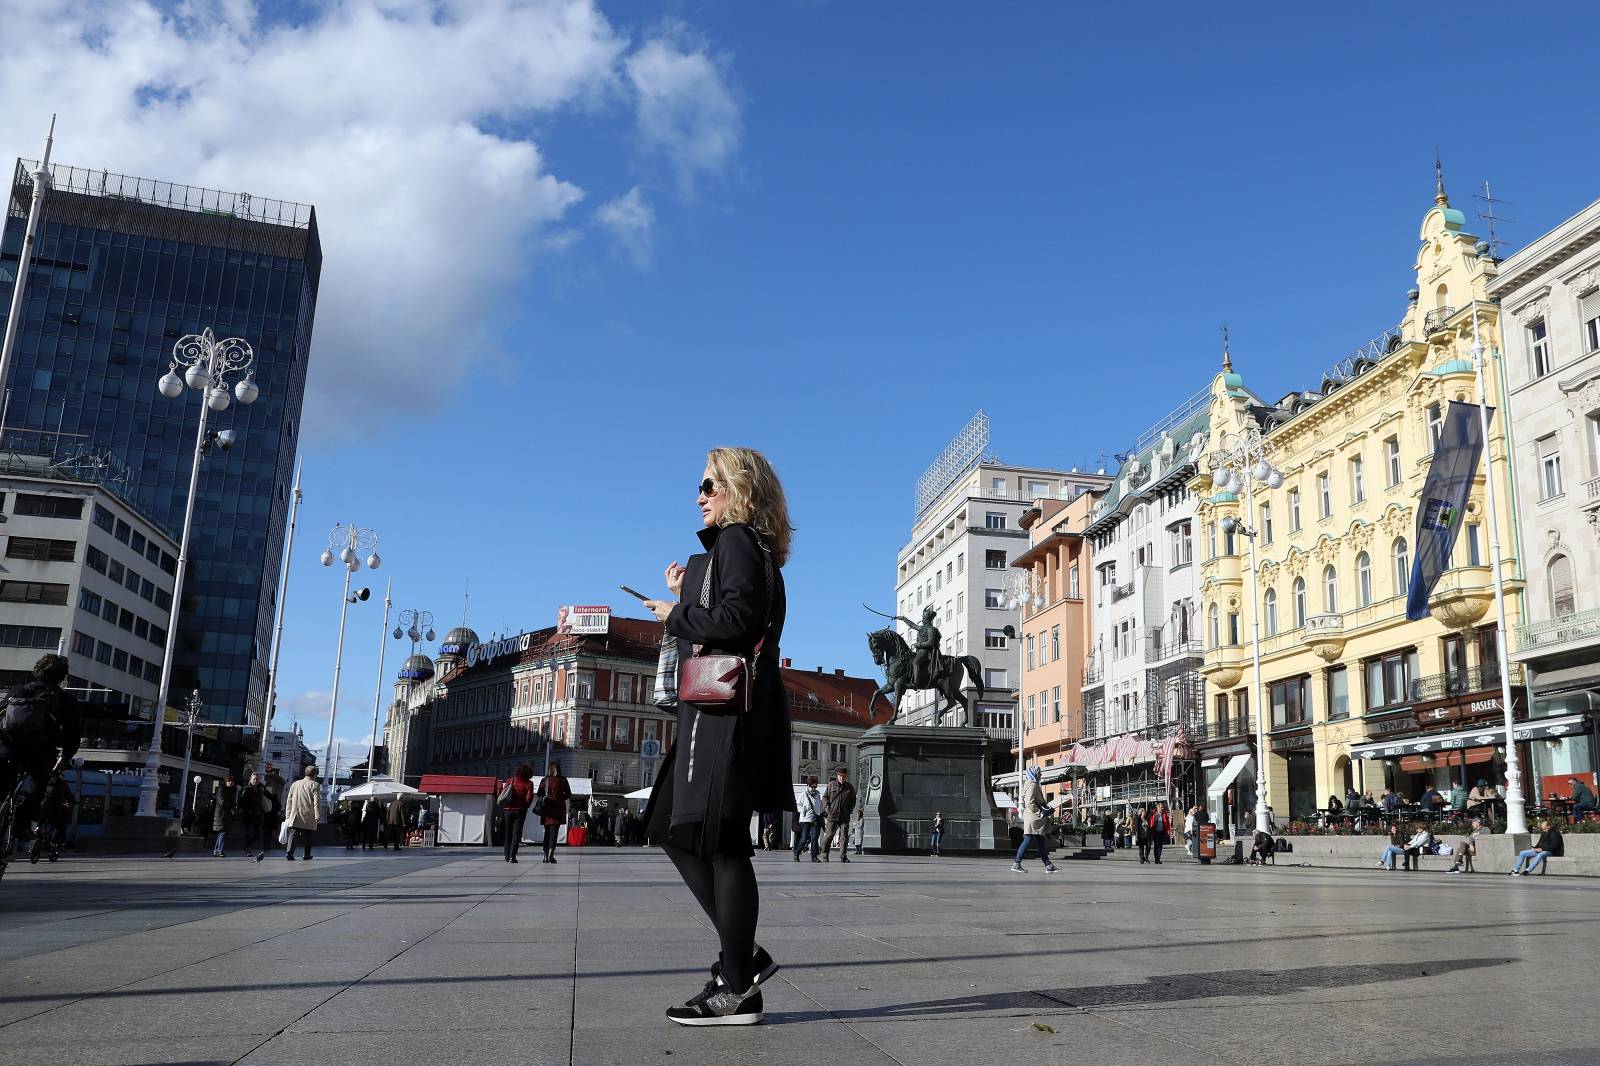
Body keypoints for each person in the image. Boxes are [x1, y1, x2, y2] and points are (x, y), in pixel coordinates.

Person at [638, 446, 794, 1027]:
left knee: (721, 843)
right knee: (672, 827)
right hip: (727, 713)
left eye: (709, 484)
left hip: (724, 717)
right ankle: (742, 959)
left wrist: (671, 614)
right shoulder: (751, 551)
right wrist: (685, 595)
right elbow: (732, 614)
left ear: (739, 489)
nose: (699, 495)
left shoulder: (734, 541)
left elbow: (734, 623)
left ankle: (737, 981)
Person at [0, 654, 82, 839]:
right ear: (62, 677)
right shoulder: (66, 700)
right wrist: (66, 756)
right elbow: (73, 736)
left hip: (7, 748)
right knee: (38, 784)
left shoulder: (18, 690)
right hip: (40, 754)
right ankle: (22, 825)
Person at [1010, 766, 1057, 874]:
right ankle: (1017, 863)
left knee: (1041, 841)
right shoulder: (1032, 785)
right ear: (1034, 774)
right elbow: (1030, 802)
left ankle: (1048, 865)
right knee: (1028, 840)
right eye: (1039, 772)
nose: (1041, 774)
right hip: (1034, 818)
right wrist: (1039, 813)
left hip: (1034, 819)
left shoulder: (1032, 784)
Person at [819, 767, 856, 864]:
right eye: (840, 776)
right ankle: (825, 854)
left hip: (844, 816)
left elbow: (853, 801)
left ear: (846, 777)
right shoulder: (831, 785)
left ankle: (843, 856)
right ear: (837, 776)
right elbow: (825, 798)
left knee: (844, 837)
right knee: (829, 835)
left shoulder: (850, 787)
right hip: (832, 815)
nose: (842, 778)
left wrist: (849, 811)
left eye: (844, 776)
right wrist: (828, 810)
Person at [283, 765, 320, 861]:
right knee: (308, 836)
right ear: (314, 774)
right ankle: (306, 854)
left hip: (295, 814)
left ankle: (289, 853)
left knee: (293, 834)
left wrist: (288, 814)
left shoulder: (295, 784)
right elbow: (316, 802)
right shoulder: (315, 785)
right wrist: (317, 815)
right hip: (309, 814)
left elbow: (289, 800)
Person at [536, 762, 571, 863]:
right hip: (558, 809)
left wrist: (547, 797)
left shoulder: (545, 780)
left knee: (547, 832)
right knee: (554, 833)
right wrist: (559, 798)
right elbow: (568, 794)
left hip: (547, 809)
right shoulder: (563, 780)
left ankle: (545, 856)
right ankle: (551, 854)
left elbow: (539, 793)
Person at [502, 763, 535, 863]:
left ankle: (506, 856)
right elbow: (529, 798)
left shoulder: (510, 780)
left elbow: (503, 792)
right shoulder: (529, 783)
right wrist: (525, 806)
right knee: (516, 833)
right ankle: (513, 856)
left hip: (507, 809)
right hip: (520, 810)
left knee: (507, 832)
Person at [239, 772, 270, 862]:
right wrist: (247, 809)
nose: (255, 781)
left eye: (256, 779)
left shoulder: (260, 789)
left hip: (257, 815)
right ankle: (247, 849)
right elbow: (241, 802)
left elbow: (270, 796)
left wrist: (263, 788)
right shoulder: (246, 789)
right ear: (250, 780)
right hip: (248, 815)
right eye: (253, 779)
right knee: (248, 833)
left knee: (257, 834)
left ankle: (247, 846)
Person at [794, 776, 821, 863]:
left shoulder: (818, 795)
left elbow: (819, 806)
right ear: (808, 785)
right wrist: (803, 810)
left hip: (814, 819)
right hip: (805, 819)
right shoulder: (803, 795)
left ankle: (814, 857)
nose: (813, 789)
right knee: (804, 838)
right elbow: (798, 805)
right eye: (812, 787)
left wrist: (820, 814)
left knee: (814, 838)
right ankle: (796, 853)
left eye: (815, 787)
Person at [211, 774, 237, 857]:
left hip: (227, 814)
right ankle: (220, 850)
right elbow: (222, 801)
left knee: (222, 833)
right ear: (225, 782)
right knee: (222, 832)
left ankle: (216, 850)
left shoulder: (233, 791)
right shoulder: (221, 789)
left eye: (232, 782)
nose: (230, 783)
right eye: (229, 781)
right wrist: (231, 804)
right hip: (221, 814)